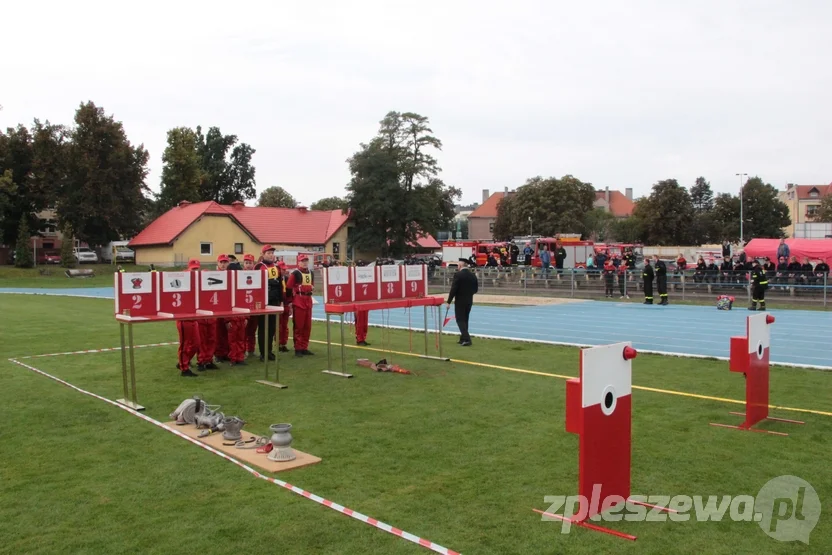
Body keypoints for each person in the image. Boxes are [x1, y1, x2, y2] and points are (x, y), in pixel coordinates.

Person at [254, 245, 282, 361]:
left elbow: (280, 284)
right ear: (263, 254)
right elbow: (257, 284)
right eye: (268, 253)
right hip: (264, 301)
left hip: (274, 301)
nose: (271, 255)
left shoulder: (276, 267)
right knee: (263, 328)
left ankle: (269, 351)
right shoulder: (259, 267)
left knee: (271, 328)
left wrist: (281, 301)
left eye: (272, 253)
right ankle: (263, 353)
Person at [176, 259, 202, 377]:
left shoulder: (199, 281)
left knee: (196, 343)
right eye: (193, 269)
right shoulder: (181, 281)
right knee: (185, 343)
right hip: (184, 317)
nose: (195, 271)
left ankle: (183, 361)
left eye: (197, 269)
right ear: (188, 269)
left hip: (194, 317)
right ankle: (184, 368)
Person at [287, 254, 315, 356]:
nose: (304, 263)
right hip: (299, 300)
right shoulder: (295, 273)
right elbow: (289, 287)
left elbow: (312, 285)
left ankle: (304, 347)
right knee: (299, 326)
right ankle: (298, 348)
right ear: (298, 262)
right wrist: (290, 301)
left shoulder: (311, 272)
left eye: (306, 261)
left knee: (307, 326)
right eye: (302, 261)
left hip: (308, 300)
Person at [447, 258, 479, 346]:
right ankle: (463, 338)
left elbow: (454, 289)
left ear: (460, 265)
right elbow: (476, 289)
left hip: (460, 300)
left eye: (458, 265)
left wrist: (448, 301)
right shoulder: (473, 275)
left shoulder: (458, 275)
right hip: (469, 300)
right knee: (465, 319)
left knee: (460, 320)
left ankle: (467, 339)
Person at [214, 254, 231, 362]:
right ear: (218, 263)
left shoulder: (230, 275)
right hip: (217, 307)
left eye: (225, 262)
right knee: (218, 332)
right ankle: (218, 354)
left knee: (227, 332)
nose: (223, 264)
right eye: (221, 262)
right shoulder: (214, 275)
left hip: (228, 306)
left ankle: (225, 353)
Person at [243, 254, 259, 357]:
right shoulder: (239, 275)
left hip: (254, 307)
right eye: (246, 263)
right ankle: (242, 351)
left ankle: (251, 350)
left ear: (253, 264)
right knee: (243, 331)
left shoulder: (257, 275)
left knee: (252, 330)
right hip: (244, 308)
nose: (248, 265)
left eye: (250, 263)